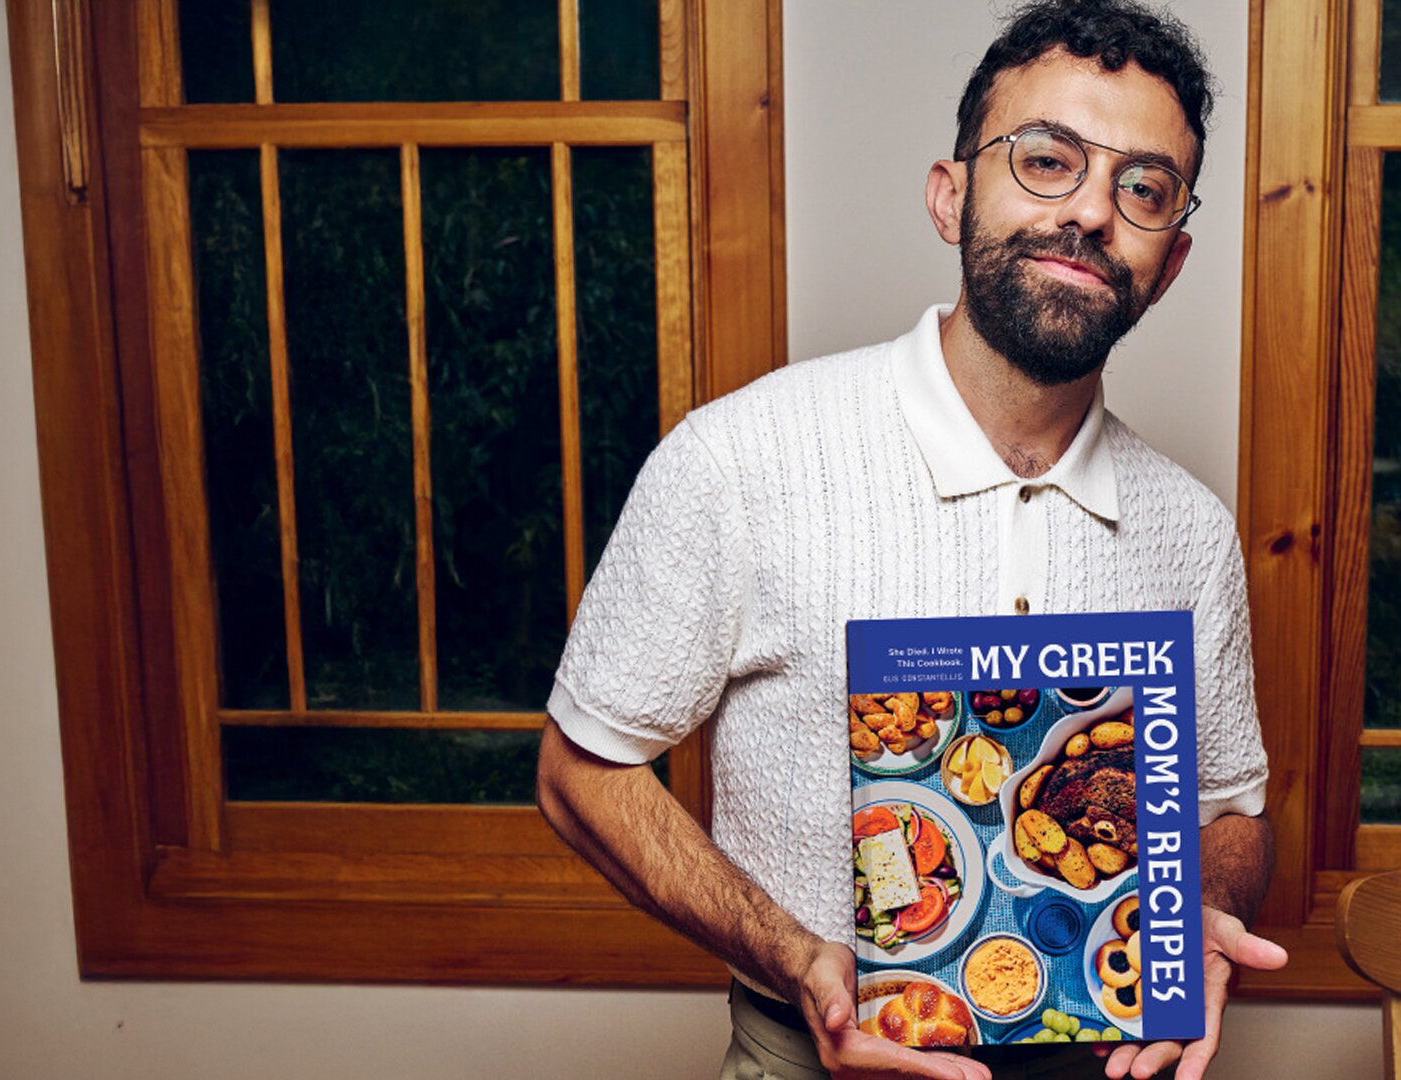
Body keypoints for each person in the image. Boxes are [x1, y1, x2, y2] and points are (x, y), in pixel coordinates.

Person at [536, 3, 1283, 1077]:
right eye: (1047, 160)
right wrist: (793, 957)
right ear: (949, 197)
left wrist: (1206, 917)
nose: (1090, 212)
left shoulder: (1192, 532)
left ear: (1168, 263)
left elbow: (1231, 813)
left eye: (1144, 189)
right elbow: (580, 772)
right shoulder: (740, 458)